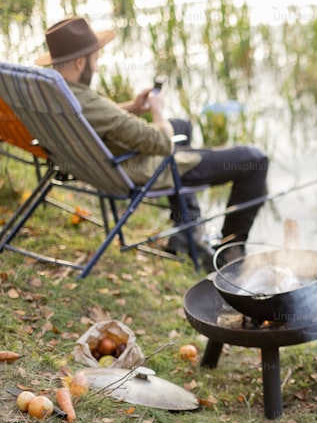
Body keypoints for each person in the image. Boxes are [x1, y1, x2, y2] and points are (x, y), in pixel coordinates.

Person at [35, 16, 268, 268]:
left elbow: (93, 118)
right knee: (253, 160)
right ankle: (229, 252)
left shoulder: (51, 93)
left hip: (94, 163)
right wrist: (157, 112)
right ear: (81, 62)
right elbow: (163, 143)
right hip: (138, 169)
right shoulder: (86, 102)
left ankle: (185, 229)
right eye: (96, 59)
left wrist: (133, 108)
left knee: (182, 126)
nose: (98, 66)